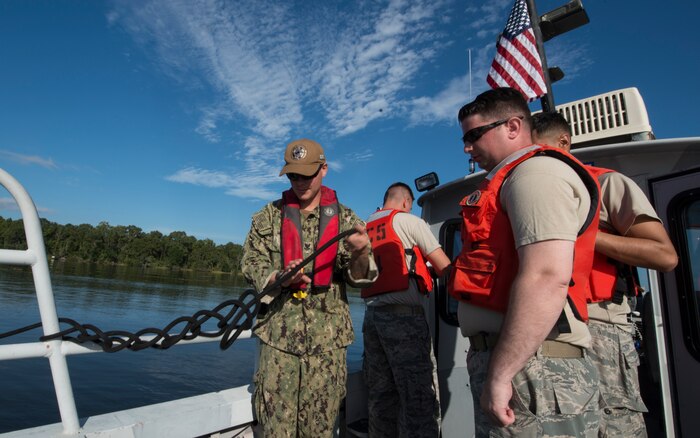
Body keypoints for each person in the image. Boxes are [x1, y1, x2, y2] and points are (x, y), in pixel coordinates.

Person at [449, 87, 602, 437]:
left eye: (474, 135)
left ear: (513, 127)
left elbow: (547, 277)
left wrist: (501, 375)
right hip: (520, 364)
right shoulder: (514, 180)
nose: (467, 147)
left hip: (535, 370)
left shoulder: (535, 175)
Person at [532, 111, 678, 437]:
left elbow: (665, 255)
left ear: (564, 143)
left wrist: (583, 235)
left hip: (602, 325)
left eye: (540, 153)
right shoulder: (533, 195)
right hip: (549, 326)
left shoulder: (607, 184)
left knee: (616, 425)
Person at [240, 138, 378, 438]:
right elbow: (250, 263)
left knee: (320, 431)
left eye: (307, 174)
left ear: (324, 169)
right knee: (276, 430)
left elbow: (362, 278)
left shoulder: (347, 220)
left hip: (327, 350)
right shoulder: (268, 217)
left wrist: (361, 253)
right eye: (293, 175)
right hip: (278, 345)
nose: (300, 182)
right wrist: (278, 276)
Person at [362, 182, 451, 437]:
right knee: (418, 398)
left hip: (372, 320)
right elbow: (444, 266)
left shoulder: (366, 227)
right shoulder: (409, 222)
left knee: (381, 396)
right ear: (405, 202)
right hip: (404, 321)